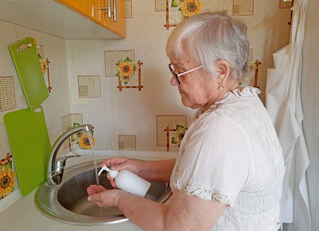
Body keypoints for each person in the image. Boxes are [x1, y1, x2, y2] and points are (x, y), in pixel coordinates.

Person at [87, 12, 285, 231]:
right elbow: (199, 171)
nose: (173, 81)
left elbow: (178, 228)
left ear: (220, 71)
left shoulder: (221, 129)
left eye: (180, 71)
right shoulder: (244, 103)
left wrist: (117, 200)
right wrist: (138, 168)